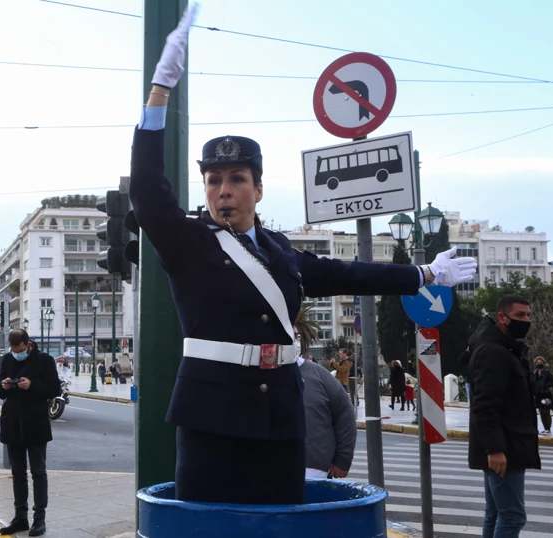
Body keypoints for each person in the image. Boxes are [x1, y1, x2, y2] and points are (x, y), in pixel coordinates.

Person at [129, 4, 477, 505]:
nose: (224, 190)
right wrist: (159, 93)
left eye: (236, 179)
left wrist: (423, 272)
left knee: (281, 521)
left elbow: (348, 272)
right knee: (209, 526)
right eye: (214, 181)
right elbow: (146, 189)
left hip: (279, 414)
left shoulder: (280, 251)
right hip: (211, 413)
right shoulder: (188, 242)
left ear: (258, 189)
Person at [468, 295, 540, 538]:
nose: (526, 320)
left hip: (507, 443)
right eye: (520, 315)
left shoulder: (502, 349)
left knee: (497, 512)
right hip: (506, 446)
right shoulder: (494, 352)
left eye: (528, 315)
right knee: (512, 516)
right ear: (502, 317)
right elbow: (485, 404)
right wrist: (495, 449)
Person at [0, 330, 60, 537]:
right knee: (17, 473)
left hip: (36, 424)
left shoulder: (44, 360)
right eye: (14, 351)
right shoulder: (6, 360)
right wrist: (4, 385)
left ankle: (39, 519)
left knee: (38, 472)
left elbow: (54, 389)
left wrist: (32, 386)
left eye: (20, 350)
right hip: (12, 423)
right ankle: (20, 518)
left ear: (28, 344)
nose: (17, 354)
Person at [531, 356, 553, 435]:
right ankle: (545, 428)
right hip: (538, 395)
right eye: (537, 363)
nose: (539, 364)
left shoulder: (547, 373)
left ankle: (548, 429)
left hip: (546, 395)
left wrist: (545, 386)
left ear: (544, 364)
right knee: (541, 412)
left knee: (546, 411)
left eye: (540, 362)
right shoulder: (534, 373)